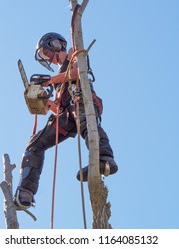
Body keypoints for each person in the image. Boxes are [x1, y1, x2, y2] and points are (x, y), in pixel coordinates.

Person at [14, 32, 118, 210]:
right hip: (66, 114)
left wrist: (50, 80)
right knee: (35, 145)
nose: (48, 58)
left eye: (46, 53)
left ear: (55, 45)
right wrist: (44, 102)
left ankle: (105, 159)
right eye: (43, 57)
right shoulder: (58, 76)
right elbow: (59, 107)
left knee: (86, 123)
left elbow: (79, 72)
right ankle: (26, 192)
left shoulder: (73, 53)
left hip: (82, 100)